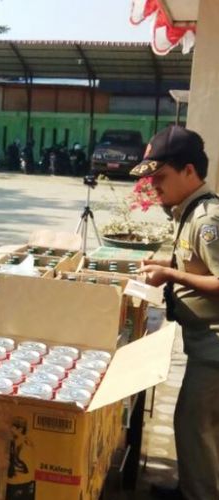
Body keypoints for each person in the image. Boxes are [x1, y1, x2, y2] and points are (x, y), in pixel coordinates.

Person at [134, 125, 219, 500]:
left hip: (215, 346)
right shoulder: (190, 211)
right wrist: (167, 262)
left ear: (189, 171)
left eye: (161, 177)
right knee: (198, 425)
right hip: (203, 342)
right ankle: (193, 487)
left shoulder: (207, 220)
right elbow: (197, 263)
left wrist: (168, 273)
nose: (154, 187)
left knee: (194, 424)